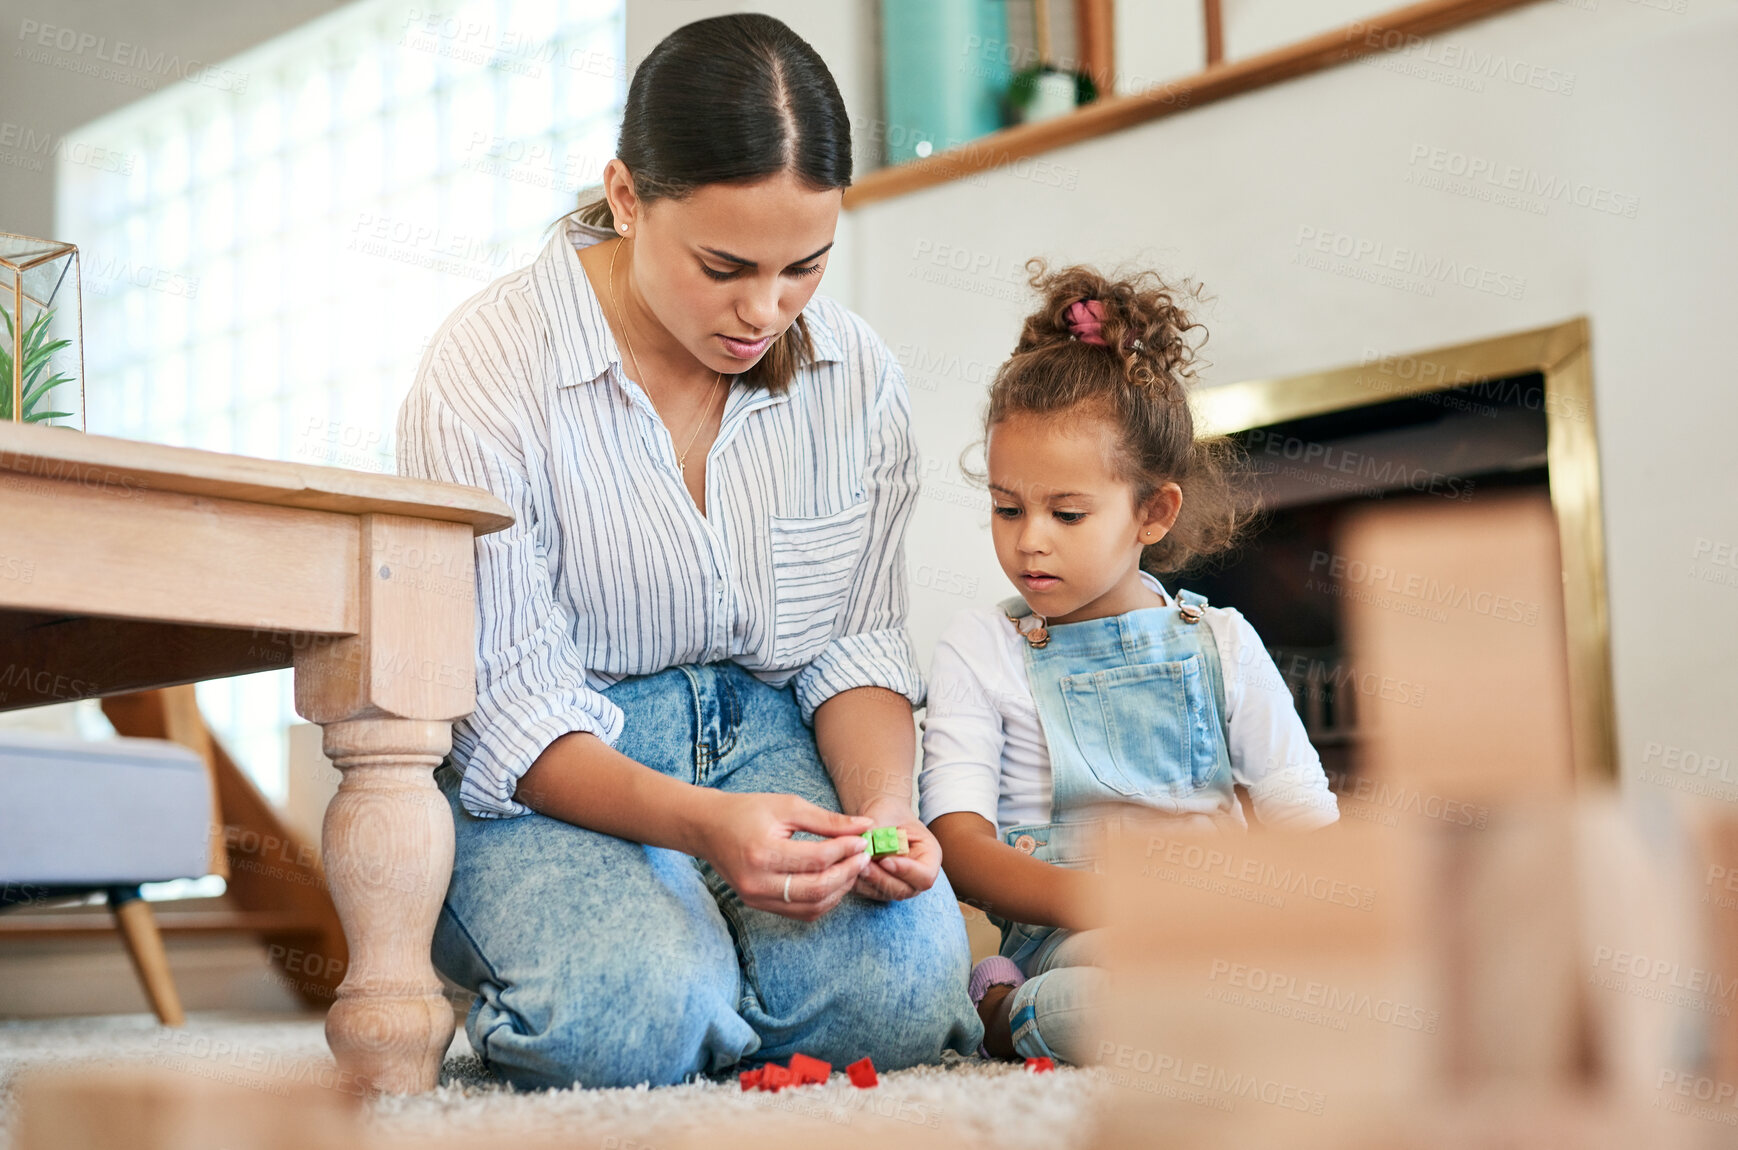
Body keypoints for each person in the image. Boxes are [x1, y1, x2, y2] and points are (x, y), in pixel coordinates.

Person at [396, 13, 980, 1090]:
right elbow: (511, 710)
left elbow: (853, 643)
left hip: (767, 732)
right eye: (724, 266)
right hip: (553, 770)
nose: (765, 311)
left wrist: (885, 813)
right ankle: (677, 979)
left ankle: (716, 980)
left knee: (898, 1006)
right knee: (631, 1020)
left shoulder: (853, 373)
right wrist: (709, 829)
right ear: (625, 196)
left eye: (804, 266)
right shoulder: (490, 367)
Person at [918, 262, 1340, 1068]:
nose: (1029, 538)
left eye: (1066, 513)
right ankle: (1006, 1006)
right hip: (1075, 940)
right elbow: (958, 842)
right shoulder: (983, 645)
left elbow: (1300, 816)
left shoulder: (1223, 642)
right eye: (1007, 508)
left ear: (1154, 511)